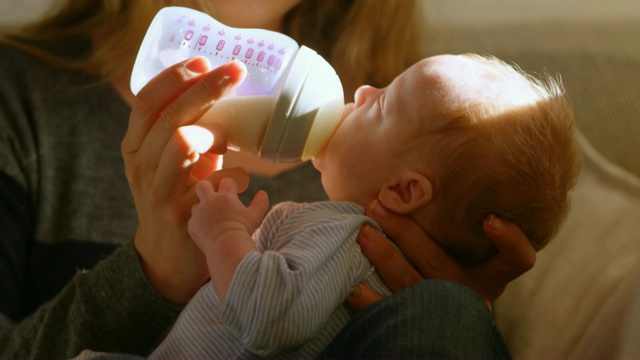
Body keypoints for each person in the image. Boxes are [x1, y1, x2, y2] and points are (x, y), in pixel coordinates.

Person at [0, 0, 535, 357]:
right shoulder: (19, 99)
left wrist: (457, 306)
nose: (366, 94)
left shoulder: (428, 136)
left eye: (383, 98)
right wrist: (155, 272)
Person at [136, 54, 580, 359]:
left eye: (383, 102)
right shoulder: (351, 247)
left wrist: (223, 235)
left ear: (404, 192)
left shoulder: (347, 236)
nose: (364, 91)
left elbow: (268, 318)